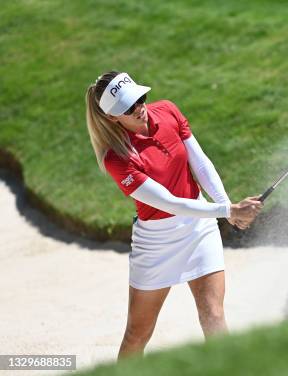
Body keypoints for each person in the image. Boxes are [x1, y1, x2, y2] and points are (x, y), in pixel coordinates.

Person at [85, 71, 262, 360]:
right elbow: (169, 203)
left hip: (199, 228)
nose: (139, 108)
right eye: (128, 108)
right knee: (137, 334)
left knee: (213, 316)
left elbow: (201, 164)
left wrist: (225, 204)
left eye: (140, 98)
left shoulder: (167, 111)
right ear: (113, 117)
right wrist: (227, 211)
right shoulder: (117, 158)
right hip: (157, 242)